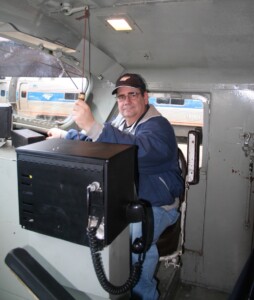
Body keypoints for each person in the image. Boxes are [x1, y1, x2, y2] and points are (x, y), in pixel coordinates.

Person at [47, 73, 184, 299]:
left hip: (157, 204)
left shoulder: (158, 126)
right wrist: (65, 134)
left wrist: (93, 125)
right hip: (130, 199)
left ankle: (144, 294)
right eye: (121, 97)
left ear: (145, 97)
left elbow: (138, 153)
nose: (126, 101)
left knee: (135, 242)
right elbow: (97, 143)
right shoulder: (119, 122)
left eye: (132, 95)